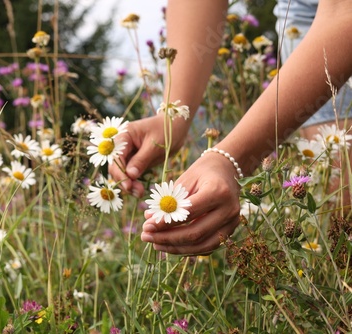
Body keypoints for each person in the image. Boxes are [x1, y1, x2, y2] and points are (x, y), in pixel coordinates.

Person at [108, 0, 352, 255]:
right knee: (343, 216)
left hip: (339, 15)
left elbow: (344, 14)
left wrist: (232, 159)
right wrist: (172, 117)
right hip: (306, 14)